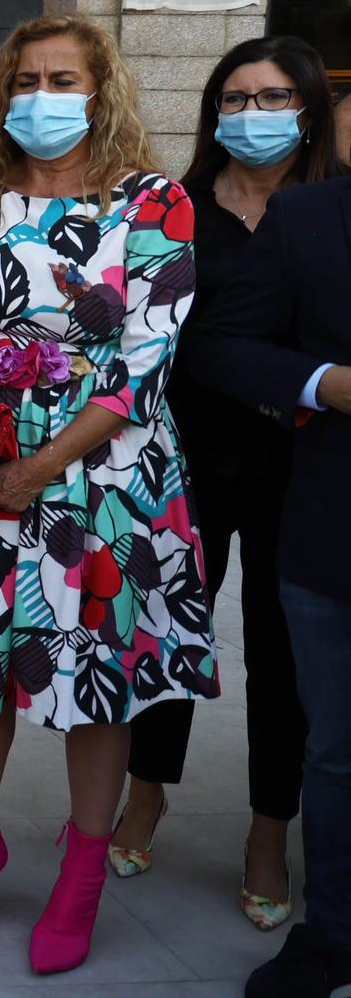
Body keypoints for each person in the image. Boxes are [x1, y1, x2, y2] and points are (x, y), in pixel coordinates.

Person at [0, 14, 217, 976]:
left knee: (95, 680)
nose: (42, 96)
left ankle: (80, 880)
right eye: (26, 79)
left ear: (102, 89)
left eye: (63, 78)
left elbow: (141, 364)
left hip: (104, 474)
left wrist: (45, 465)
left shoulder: (153, 203)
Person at [111, 37, 342, 924]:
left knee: (287, 653)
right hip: (184, 456)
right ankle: (145, 791)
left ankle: (265, 827)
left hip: (303, 464)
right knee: (167, 631)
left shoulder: (331, 213)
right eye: (235, 98)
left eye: (274, 97)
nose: (253, 115)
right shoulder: (173, 208)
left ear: (310, 107)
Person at [190, 167, 351, 998]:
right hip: (330, 528)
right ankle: (330, 930)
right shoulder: (307, 216)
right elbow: (223, 344)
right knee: (333, 748)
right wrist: (327, 384)